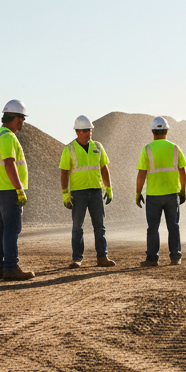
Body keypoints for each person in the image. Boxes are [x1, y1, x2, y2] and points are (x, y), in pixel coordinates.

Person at [59, 115, 116, 269]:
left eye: (89, 130)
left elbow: (104, 168)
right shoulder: (69, 149)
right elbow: (64, 173)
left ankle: (102, 257)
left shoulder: (98, 147)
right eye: (84, 131)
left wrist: (108, 188)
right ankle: (77, 259)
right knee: (77, 227)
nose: (88, 133)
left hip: (96, 191)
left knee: (100, 226)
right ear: (77, 132)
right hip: (78, 193)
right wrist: (65, 193)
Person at [0, 99, 35, 280]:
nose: (23, 122)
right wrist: (19, 189)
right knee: (11, 229)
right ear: (16, 118)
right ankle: (10, 268)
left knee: (0, 228)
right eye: (22, 118)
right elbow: (10, 164)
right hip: (9, 190)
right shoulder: (7, 137)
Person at [136, 116, 186, 266]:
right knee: (173, 226)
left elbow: (141, 174)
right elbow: (182, 171)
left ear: (153, 131)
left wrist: (138, 193)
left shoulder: (147, 149)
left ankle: (152, 259)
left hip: (153, 195)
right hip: (172, 194)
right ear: (167, 131)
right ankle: (175, 257)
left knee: (153, 228)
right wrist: (183, 190)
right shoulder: (175, 148)